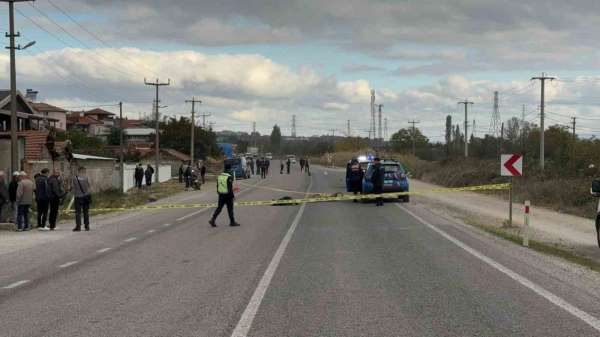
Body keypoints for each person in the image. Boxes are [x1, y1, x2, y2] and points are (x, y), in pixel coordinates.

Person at [72, 166, 92, 231]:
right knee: (86, 212)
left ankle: (78, 227)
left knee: (78, 212)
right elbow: (90, 187)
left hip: (78, 197)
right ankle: (87, 226)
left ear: (78, 171)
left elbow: (72, 186)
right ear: (83, 171)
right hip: (86, 197)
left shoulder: (75, 178)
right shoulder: (87, 178)